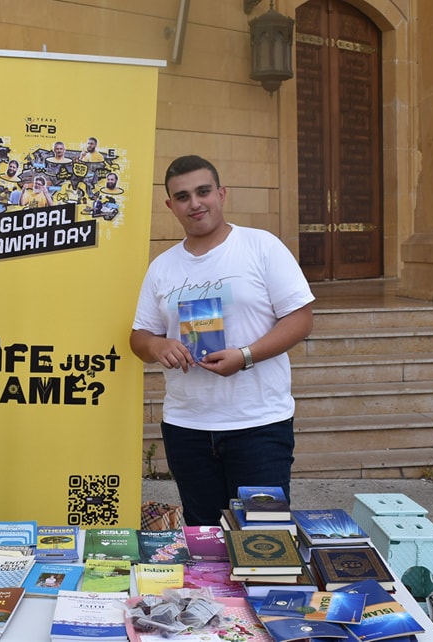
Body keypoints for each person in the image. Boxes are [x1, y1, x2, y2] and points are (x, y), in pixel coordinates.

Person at [129, 155, 314, 526]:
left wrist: (246, 356)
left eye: (203, 192)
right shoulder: (162, 267)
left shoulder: (262, 247)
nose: (195, 203)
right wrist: (159, 346)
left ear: (221, 194)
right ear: (170, 205)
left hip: (258, 425)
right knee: (205, 537)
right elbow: (140, 336)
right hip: (187, 428)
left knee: (264, 534)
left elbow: (301, 318)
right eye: (182, 197)